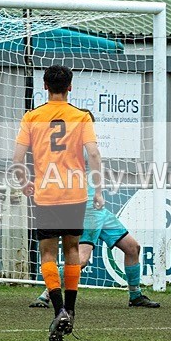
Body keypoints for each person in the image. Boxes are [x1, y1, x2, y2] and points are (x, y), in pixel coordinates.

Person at [30, 113, 159, 310]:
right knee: (81, 259)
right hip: (87, 208)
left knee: (132, 248)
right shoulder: (78, 146)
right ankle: (46, 294)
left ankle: (135, 295)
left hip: (99, 211)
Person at [12, 64, 100, 341]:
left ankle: (58, 309)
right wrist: (98, 190)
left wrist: (24, 182)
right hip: (75, 192)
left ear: (45, 87)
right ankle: (70, 311)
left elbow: (17, 159)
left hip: (46, 193)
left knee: (47, 253)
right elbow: (94, 154)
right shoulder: (82, 117)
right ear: (70, 87)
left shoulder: (32, 117)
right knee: (72, 249)